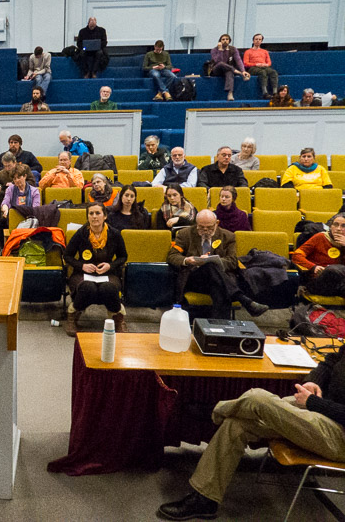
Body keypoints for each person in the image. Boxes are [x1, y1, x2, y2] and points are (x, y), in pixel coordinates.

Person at [158, 348, 345, 520]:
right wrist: (314, 381)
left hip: (339, 435)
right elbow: (332, 360)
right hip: (322, 411)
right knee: (237, 422)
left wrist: (313, 403)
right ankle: (205, 499)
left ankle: (214, 410)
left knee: (258, 399)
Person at [167, 209, 268, 319]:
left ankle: (218, 329)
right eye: (201, 227)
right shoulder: (185, 234)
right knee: (211, 268)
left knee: (217, 280)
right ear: (196, 224)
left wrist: (215, 261)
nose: (205, 230)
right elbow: (172, 256)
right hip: (194, 279)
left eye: (209, 227)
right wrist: (187, 260)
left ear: (217, 223)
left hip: (218, 280)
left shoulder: (228, 236)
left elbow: (233, 261)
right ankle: (243, 299)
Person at [64, 202, 128, 334]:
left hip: (108, 273)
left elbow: (123, 257)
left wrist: (110, 265)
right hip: (82, 273)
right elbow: (67, 256)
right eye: (91, 213)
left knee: (108, 287)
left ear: (104, 216)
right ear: (87, 216)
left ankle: (118, 318)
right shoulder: (81, 233)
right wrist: (82, 266)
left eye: (98, 213)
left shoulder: (114, 234)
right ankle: (72, 316)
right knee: (88, 287)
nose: (94, 216)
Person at [291, 212, 345, 297]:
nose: (338, 229)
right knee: (332, 270)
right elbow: (297, 255)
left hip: (339, 283)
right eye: (335, 225)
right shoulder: (320, 237)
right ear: (330, 227)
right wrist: (313, 267)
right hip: (319, 282)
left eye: (343, 226)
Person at [0, 152, 37, 250]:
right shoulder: (1, 174)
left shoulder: (24, 169)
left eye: (9, 166)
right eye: (5, 166)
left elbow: (32, 183)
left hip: (23, 199)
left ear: (15, 162)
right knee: (2, 223)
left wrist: (15, 183)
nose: (7, 168)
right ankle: (2, 248)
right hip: (6, 200)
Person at [0, 165, 42, 235]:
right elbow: (5, 202)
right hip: (13, 217)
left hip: (28, 218)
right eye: (14, 178)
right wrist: (6, 210)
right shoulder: (10, 189)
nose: (16, 180)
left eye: (19, 177)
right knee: (1, 222)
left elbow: (35, 209)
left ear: (25, 176)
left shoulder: (34, 191)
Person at [210, 34, 250, 101]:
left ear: (229, 41)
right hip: (217, 69)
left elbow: (238, 60)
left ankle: (230, 93)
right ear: (220, 41)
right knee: (221, 64)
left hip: (228, 69)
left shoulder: (233, 49)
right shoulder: (214, 50)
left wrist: (243, 70)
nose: (225, 41)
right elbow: (218, 61)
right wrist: (220, 50)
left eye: (227, 39)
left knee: (229, 72)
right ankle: (239, 73)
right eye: (223, 39)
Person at [243, 33, 279, 99]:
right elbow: (245, 63)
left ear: (261, 41)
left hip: (264, 66)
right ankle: (265, 93)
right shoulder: (248, 51)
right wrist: (256, 64)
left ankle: (275, 93)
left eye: (259, 39)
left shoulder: (264, 51)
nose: (258, 41)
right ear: (253, 41)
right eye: (256, 39)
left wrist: (266, 64)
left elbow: (269, 62)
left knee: (273, 72)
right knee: (262, 73)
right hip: (253, 68)